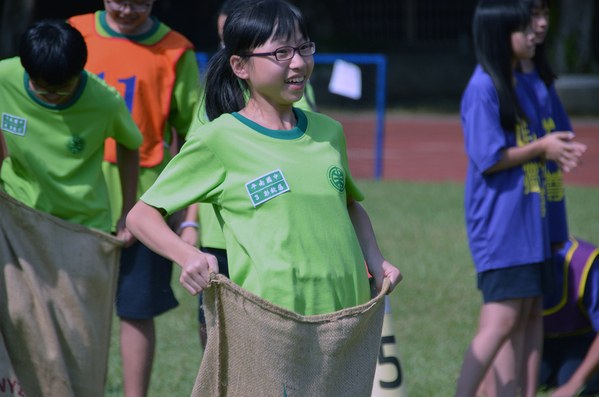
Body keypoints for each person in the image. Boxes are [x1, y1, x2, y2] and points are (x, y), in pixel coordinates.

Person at [127, 0, 401, 324]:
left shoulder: (329, 131)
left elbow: (350, 205)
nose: (298, 63)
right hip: (270, 323)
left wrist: (374, 257)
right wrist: (188, 254)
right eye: (281, 53)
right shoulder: (219, 139)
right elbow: (142, 216)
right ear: (240, 66)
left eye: (304, 48)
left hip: (346, 313)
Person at [454, 0, 586, 396]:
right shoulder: (483, 87)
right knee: (501, 322)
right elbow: (488, 157)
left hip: (534, 221)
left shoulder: (524, 79)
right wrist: (542, 147)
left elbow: (554, 135)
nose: (535, 31)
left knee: (530, 316)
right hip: (503, 227)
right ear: (499, 34)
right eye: (525, 26)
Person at [68, 2, 200, 396]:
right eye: (117, 0)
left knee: (137, 307)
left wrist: (189, 217)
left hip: (146, 205)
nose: (127, 10)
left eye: (139, 1)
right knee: (68, 306)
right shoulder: (74, 32)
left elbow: (196, 140)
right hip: (73, 198)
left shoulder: (176, 50)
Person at [0, 19, 141, 238]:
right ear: (25, 69)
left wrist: (128, 211)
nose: (54, 96)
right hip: (17, 212)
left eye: (63, 88)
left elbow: (130, 144)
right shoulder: (4, 78)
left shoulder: (105, 101)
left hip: (83, 225)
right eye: (43, 89)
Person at [539, 237, 599, 397]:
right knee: (528, 377)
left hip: (586, 339)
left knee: (572, 380)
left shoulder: (584, 261)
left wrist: (573, 385)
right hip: (539, 340)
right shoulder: (510, 264)